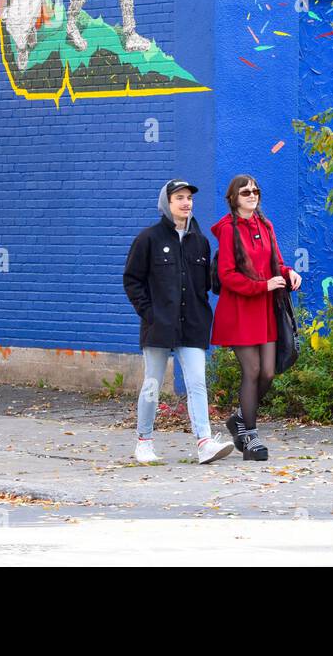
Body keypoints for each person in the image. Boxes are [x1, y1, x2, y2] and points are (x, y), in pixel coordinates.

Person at [123, 180, 234, 465]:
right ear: (166, 203)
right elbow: (132, 280)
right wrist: (149, 313)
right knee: (152, 384)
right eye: (179, 198)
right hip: (159, 325)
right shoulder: (149, 239)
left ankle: (205, 442)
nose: (186, 203)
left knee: (197, 383)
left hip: (193, 325)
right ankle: (144, 442)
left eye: (189, 198)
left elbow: (209, 285)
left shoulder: (201, 242)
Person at [210, 175, 302, 461]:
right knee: (251, 371)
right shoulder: (228, 230)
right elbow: (226, 275)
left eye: (255, 191)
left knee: (269, 372)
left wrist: (288, 274)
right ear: (234, 198)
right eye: (245, 191)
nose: (252, 195)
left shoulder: (265, 224)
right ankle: (250, 437)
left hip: (265, 310)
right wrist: (262, 286)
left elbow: (277, 262)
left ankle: (238, 418)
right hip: (240, 310)